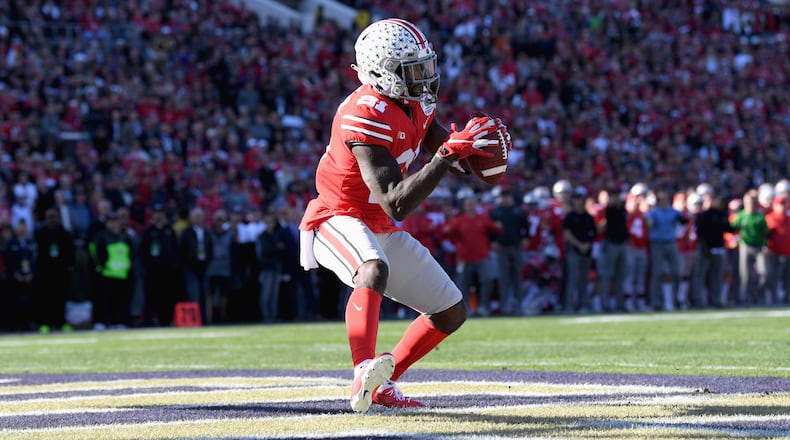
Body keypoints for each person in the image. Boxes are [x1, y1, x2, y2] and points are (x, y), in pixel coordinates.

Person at [298, 18, 510, 413]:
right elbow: (396, 201)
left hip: (377, 225)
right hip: (335, 216)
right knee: (372, 268)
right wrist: (449, 155)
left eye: (426, 66)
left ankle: (384, 383)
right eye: (413, 70)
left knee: (450, 310)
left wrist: (473, 151)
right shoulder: (363, 115)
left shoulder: (416, 102)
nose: (425, 79)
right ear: (381, 74)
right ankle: (363, 369)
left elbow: (445, 150)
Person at [445, 195, 503, 316]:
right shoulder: (459, 220)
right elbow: (449, 234)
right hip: (464, 258)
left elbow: (497, 230)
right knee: (463, 284)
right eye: (468, 204)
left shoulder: (483, 219)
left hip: (481, 256)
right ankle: (466, 309)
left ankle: (483, 307)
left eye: (472, 204)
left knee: (485, 282)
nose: (470, 206)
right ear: (464, 206)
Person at [488, 188, 529, 315]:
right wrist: (493, 240)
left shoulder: (518, 211)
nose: (506, 199)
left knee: (518, 276)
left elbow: (526, 226)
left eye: (508, 196)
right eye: (504, 196)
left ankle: (519, 305)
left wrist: (525, 238)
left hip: (516, 246)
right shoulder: (495, 212)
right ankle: (504, 305)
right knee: (503, 277)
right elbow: (489, 229)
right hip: (501, 247)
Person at [34, 208, 75, 332]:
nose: (52, 219)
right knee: (45, 299)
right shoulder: (40, 233)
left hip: (61, 272)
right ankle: (45, 323)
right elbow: (37, 254)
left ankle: (60, 322)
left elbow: (70, 253)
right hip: (45, 272)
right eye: (49, 217)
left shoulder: (65, 233)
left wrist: (67, 266)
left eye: (54, 216)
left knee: (60, 298)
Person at [139, 203, 180, 326]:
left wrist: (174, 264)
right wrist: (146, 265)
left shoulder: (169, 230)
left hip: (168, 270)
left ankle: (166, 319)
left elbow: (176, 249)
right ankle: (149, 320)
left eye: (160, 213)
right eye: (156, 213)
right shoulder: (148, 231)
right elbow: (142, 251)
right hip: (152, 270)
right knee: (151, 296)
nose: (158, 215)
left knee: (167, 295)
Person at [646, 190, 687, 311]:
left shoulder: (674, 212)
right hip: (657, 243)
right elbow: (649, 224)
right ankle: (656, 301)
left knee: (677, 272)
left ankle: (676, 299)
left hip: (671, 242)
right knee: (656, 273)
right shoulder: (654, 213)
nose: (664, 202)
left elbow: (684, 222)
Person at [691, 195, 733, 308]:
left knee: (717, 276)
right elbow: (699, 233)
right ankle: (697, 300)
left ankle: (716, 300)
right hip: (706, 249)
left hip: (718, 248)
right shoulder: (706, 215)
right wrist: (705, 248)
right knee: (700, 275)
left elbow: (729, 229)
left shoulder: (723, 215)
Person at [730, 190, 769, 305]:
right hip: (745, 246)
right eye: (748, 202)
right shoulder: (740, 216)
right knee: (745, 275)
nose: (750, 204)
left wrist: (765, 245)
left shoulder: (759, 216)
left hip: (759, 247)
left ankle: (759, 296)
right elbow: (732, 229)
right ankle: (745, 298)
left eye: (752, 202)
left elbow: (766, 233)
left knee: (763, 273)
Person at [562, 186, 597, 313]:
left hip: (586, 252)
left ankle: (584, 305)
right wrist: (579, 245)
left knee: (584, 279)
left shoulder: (588, 217)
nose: (578, 202)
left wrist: (586, 245)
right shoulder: (570, 216)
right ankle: (569, 306)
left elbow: (593, 233)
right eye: (575, 199)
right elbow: (567, 234)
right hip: (574, 251)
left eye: (580, 199)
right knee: (572, 279)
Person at [596, 190, 630, 312]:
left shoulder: (622, 210)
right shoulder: (609, 210)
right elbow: (608, 215)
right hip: (611, 244)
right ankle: (604, 303)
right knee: (607, 275)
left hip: (622, 244)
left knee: (621, 276)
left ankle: (619, 303)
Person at [762, 196, 789, 305]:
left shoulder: (788, 218)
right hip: (775, 253)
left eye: (784, 204)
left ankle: (787, 298)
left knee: (788, 278)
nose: (782, 206)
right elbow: (765, 235)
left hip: (788, 252)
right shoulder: (769, 218)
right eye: (779, 204)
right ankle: (774, 298)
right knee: (774, 277)